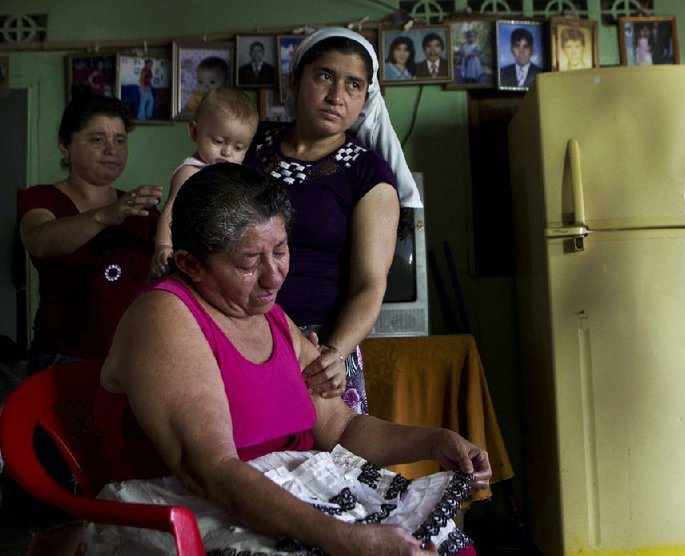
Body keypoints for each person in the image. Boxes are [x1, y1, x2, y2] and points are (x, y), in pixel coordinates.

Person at [90, 163, 491, 553]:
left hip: (285, 494)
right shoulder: (164, 318)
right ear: (190, 264)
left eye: (280, 251)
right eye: (249, 262)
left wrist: (435, 442)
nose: (274, 276)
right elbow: (209, 470)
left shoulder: (274, 318)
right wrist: (346, 540)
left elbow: (341, 428)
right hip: (190, 507)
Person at [245, 28, 416, 416]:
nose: (337, 96)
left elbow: (370, 284)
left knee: (325, 468)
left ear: (365, 98)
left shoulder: (368, 174)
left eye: (353, 85)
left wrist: (334, 353)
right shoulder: (250, 146)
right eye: (324, 76)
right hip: (237, 333)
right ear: (295, 80)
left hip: (321, 351)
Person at [18, 94, 161, 375]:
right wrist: (105, 215)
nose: (112, 150)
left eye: (120, 140)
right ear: (65, 145)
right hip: (61, 359)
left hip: (129, 361)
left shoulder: (140, 207)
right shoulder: (41, 198)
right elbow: (39, 240)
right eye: (97, 139)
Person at [152, 87, 258, 276]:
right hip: (190, 255)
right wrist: (163, 245)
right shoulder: (191, 172)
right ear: (194, 132)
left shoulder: (236, 176)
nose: (227, 153)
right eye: (218, 141)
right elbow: (170, 210)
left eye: (239, 147)